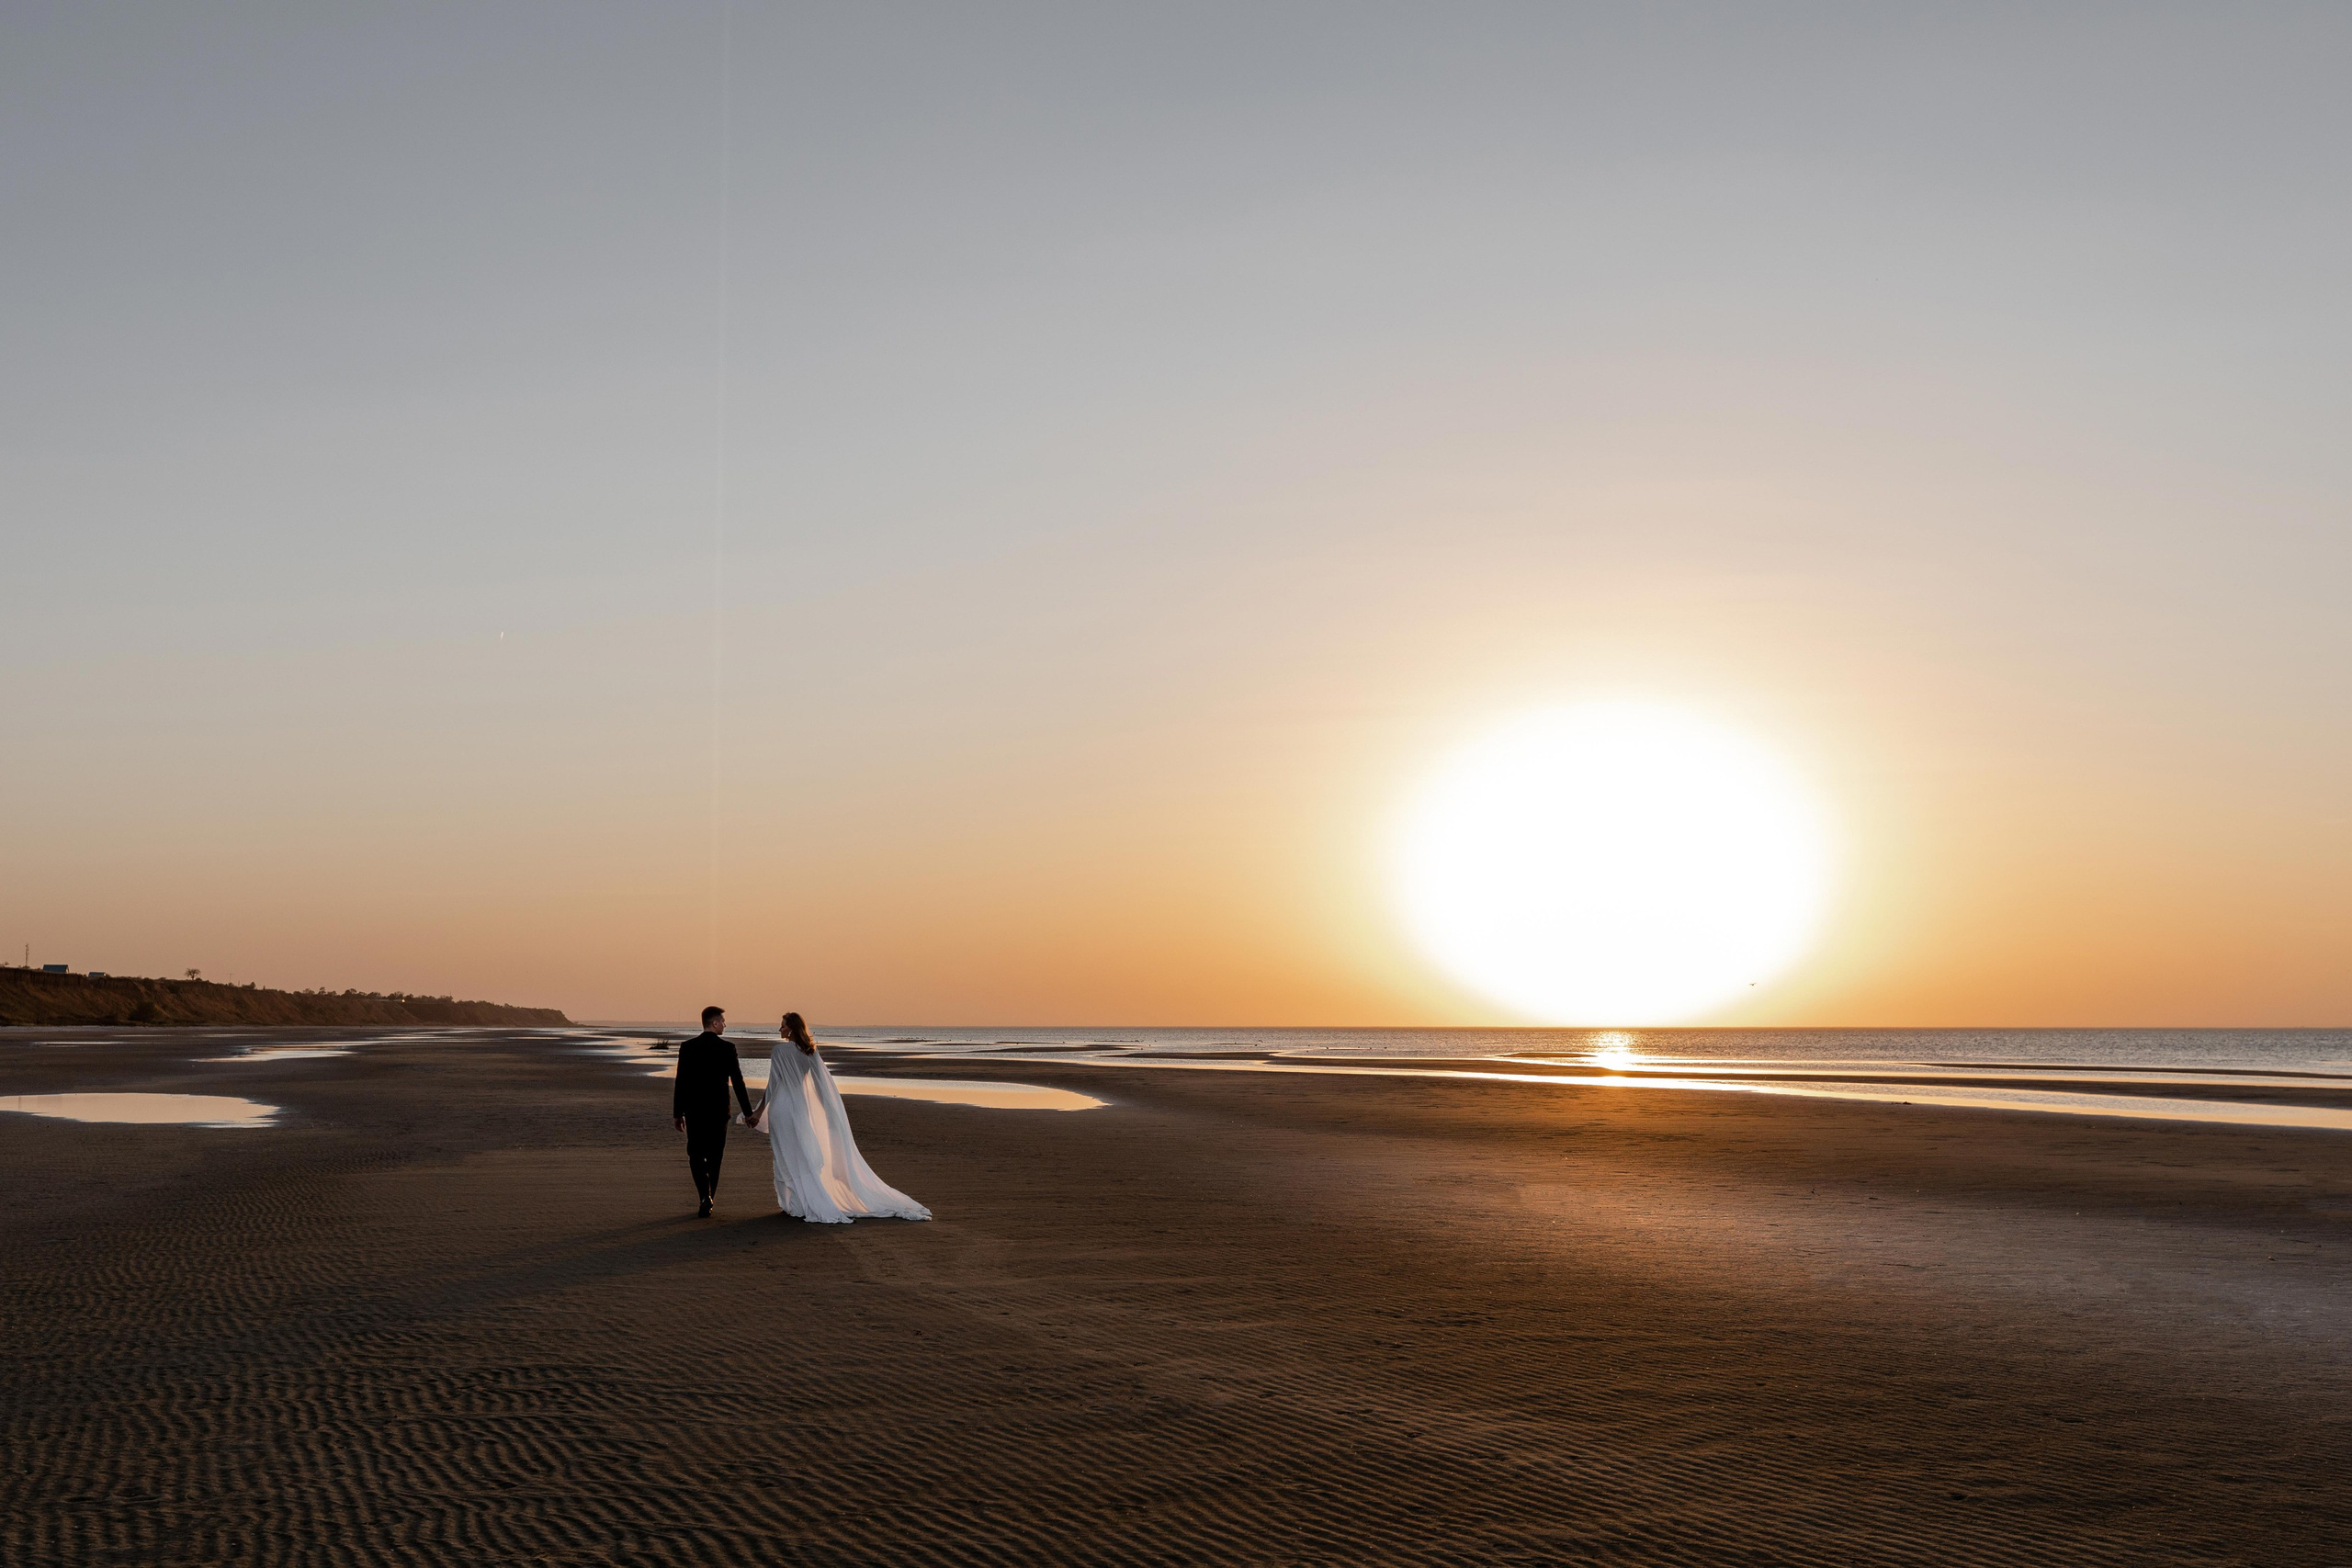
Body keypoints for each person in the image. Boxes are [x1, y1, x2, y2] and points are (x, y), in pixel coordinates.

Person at [749, 1012, 930, 1224]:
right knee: (801, 1153)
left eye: (782, 1026)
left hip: (781, 1109)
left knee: (786, 1155)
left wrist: (759, 1112)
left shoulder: (779, 1051)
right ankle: (799, 1202)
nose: (779, 1030)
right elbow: (821, 1087)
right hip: (798, 1110)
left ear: (791, 1029)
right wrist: (830, 1114)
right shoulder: (810, 1052)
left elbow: (772, 1086)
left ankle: (796, 1203)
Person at [673, 1005, 754, 1217]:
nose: (725, 1025)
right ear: (714, 1023)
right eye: (723, 1021)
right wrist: (747, 1112)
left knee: (695, 1154)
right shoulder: (728, 1048)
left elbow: (681, 1082)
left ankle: (704, 1196)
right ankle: (709, 1199)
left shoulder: (688, 1047)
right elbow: (738, 1083)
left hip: (694, 1110)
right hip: (719, 1110)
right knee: (715, 1156)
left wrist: (677, 1112)